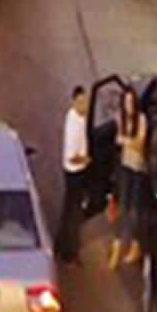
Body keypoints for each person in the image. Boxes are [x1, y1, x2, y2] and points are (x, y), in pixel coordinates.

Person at [107, 94, 147, 270]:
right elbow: (118, 139)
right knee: (122, 206)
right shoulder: (121, 119)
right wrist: (129, 141)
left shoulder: (142, 119)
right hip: (125, 167)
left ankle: (134, 245)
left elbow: (140, 144)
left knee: (134, 210)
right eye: (126, 103)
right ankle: (118, 245)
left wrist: (126, 141)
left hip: (138, 168)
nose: (128, 106)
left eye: (131, 103)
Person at [58, 86, 91, 264]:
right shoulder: (73, 123)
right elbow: (72, 155)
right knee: (73, 213)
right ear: (74, 101)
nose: (84, 104)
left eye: (85, 101)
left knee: (68, 210)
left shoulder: (79, 117)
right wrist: (85, 160)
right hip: (74, 173)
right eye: (81, 101)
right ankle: (69, 251)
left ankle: (61, 245)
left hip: (75, 172)